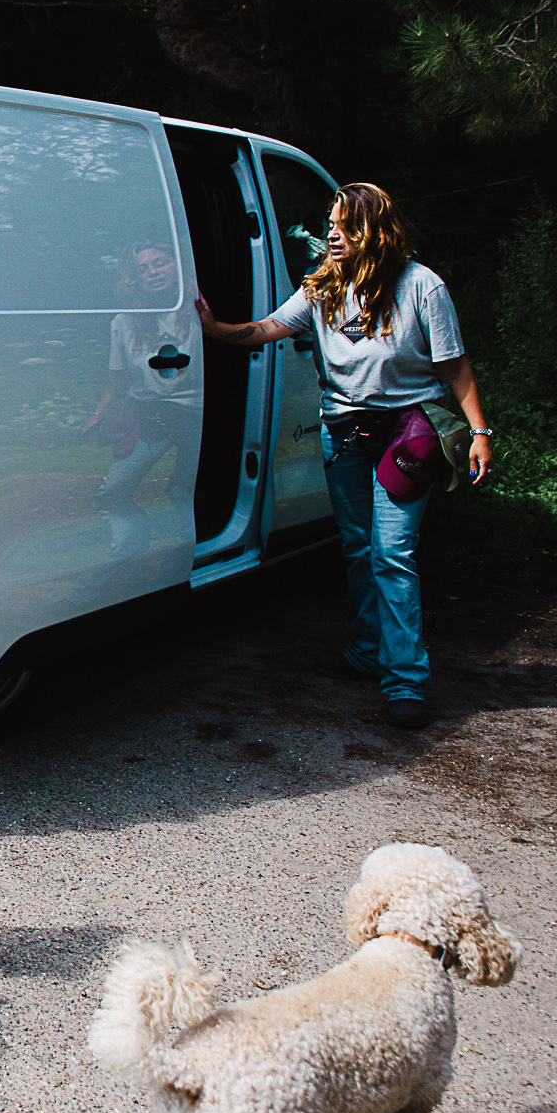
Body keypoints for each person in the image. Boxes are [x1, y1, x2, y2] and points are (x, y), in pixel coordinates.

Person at [194, 182, 495, 730]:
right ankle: (364, 654)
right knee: (358, 548)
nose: (331, 234)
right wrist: (214, 329)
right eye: (330, 223)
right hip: (346, 432)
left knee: (392, 552)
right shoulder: (323, 288)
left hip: (410, 430)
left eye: (344, 226)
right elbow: (267, 329)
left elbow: (454, 366)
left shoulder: (422, 286)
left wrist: (480, 431)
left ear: (374, 232)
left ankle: (406, 681)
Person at [82, 243, 203, 563]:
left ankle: (190, 558)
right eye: (143, 269)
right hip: (149, 416)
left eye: (160, 263)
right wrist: (98, 414)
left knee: (184, 491)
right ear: (134, 279)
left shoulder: (195, 310)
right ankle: (130, 552)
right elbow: (118, 381)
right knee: (112, 495)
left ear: (177, 266)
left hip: (195, 413)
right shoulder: (123, 322)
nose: (153, 273)